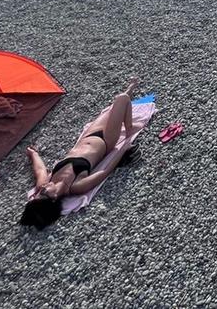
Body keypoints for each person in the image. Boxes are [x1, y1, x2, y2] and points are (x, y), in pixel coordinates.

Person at [21, 80, 140, 229]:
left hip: (88, 136)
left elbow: (39, 169)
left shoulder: (44, 184)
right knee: (121, 99)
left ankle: (131, 88)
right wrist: (125, 146)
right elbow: (105, 171)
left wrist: (33, 153)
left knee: (110, 110)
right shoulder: (77, 186)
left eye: (39, 192)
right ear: (53, 198)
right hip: (106, 141)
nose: (42, 189)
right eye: (43, 193)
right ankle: (129, 129)